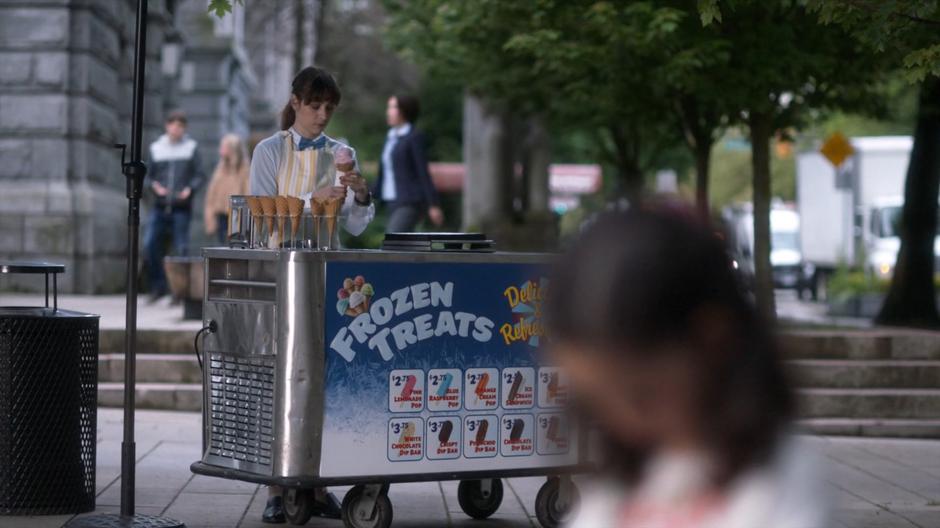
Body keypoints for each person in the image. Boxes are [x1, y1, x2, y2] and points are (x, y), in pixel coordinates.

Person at [546, 203, 830, 528]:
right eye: (596, 405)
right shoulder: (624, 480)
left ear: (713, 340)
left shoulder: (773, 480)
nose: (624, 423)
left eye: (642, 396)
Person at [249, 66, 373, 523]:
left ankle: (317, 486)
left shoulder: (343, 153)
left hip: (327, 276)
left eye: (329, 108)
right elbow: (263, 219)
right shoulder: (268, 151)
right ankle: (274, 490)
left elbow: (356, 227)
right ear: (296, 102)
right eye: (315, 106)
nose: (322, 116)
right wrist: (309, 198)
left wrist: (359, 195)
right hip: (280, 272)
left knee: (323, 377)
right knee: (280, 377)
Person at [144, 110, 204, 302]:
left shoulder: (191, 148)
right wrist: (154, 187)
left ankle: (180, 292)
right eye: (173, 124)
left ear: (184, 128)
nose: (176, 129)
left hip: (181, 208)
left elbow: (200, 175)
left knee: (181, 248)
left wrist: (189, 189)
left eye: (180, 125)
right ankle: (158, 286)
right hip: (160, 206)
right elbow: (147, 176)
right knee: (150, 244)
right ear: (167, 126)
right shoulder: (156, 148)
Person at [372, 94, 444, 233]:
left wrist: (433, 204)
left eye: (393, 107)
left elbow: (422, 172)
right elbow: (384, 174)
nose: (388, 111)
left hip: (410, 201)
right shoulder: (391, 137)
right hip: (391, 200)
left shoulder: (414, 137)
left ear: (405, 110)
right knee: (401, 244)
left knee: (392, 241)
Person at [204, 134, 250, 244]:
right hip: (221, 215)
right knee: (222, 246)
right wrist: (210, 218)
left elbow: (248, 193)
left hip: (237, 215)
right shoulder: (220, 168)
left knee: (236, 246)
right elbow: (211, 194)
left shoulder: (244, 169)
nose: (221, 149)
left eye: (223, 147)